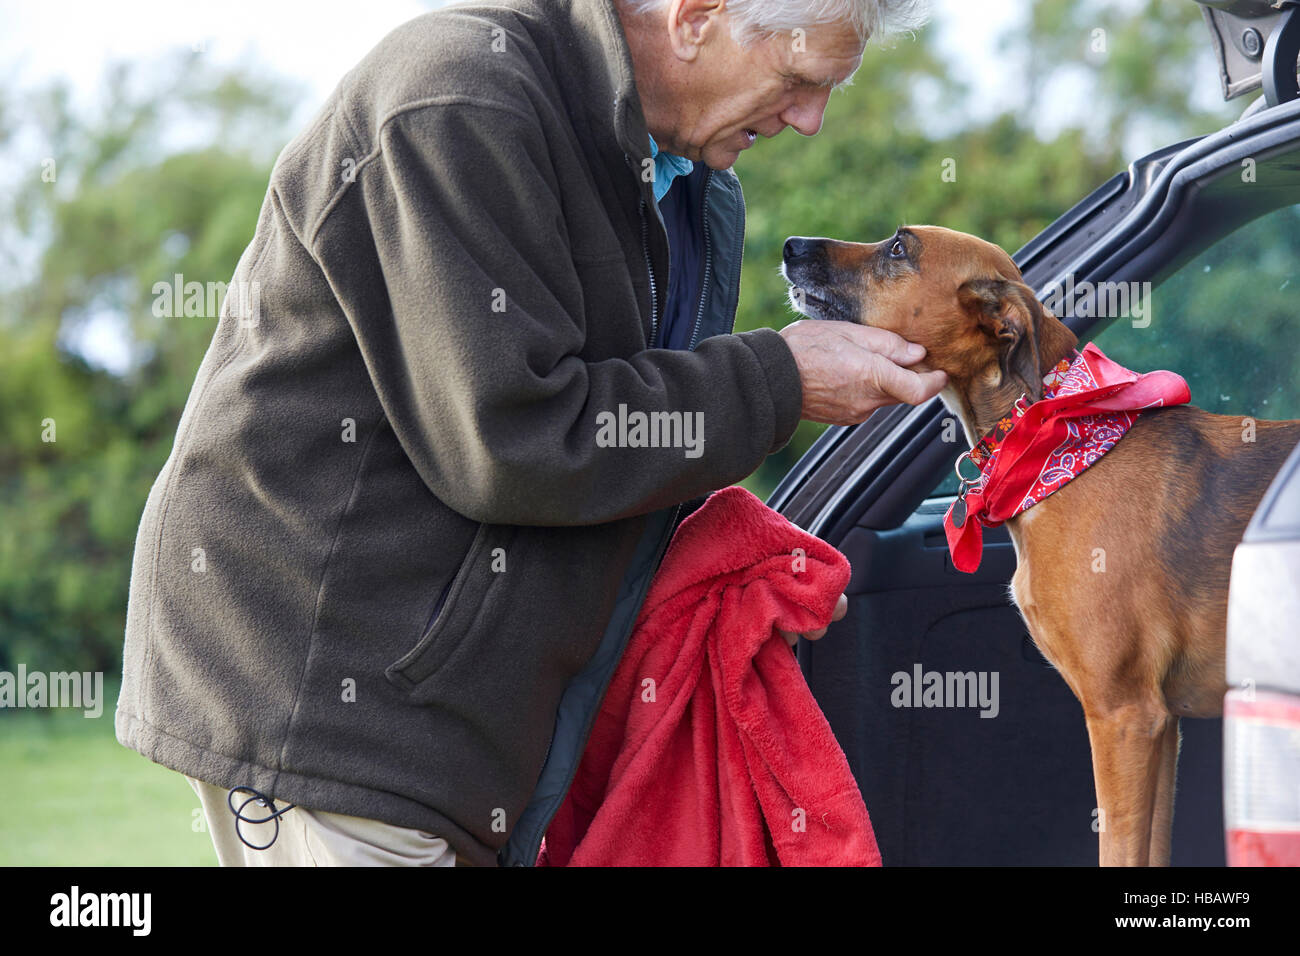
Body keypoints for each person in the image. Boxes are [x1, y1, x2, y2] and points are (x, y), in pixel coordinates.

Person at [115, 0, 944, 867]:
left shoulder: (685, 180)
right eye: (801, 81)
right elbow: (513, 440)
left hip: (460, 739)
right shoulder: (461, 96)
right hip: (341, 721)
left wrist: (743, 578)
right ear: (698, 17)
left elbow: (623, 461)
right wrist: (781, 380)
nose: (811, 122)